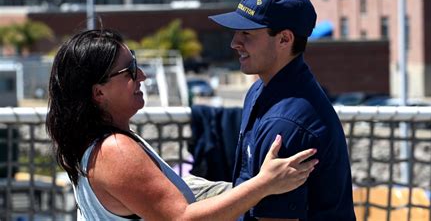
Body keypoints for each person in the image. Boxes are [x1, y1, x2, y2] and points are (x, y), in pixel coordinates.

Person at [46, 28, 318, 220]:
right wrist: (265, 184)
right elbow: (182, 219)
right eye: (129, 70)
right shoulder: (114, 150)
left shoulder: (97, 145)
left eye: (137, 64)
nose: (141, 75)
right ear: (98, 93)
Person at [209, 0, 356, 220]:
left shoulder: (286, 124)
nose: (234, 43)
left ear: (285, 39)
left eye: (247, 33)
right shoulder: (261, 91)